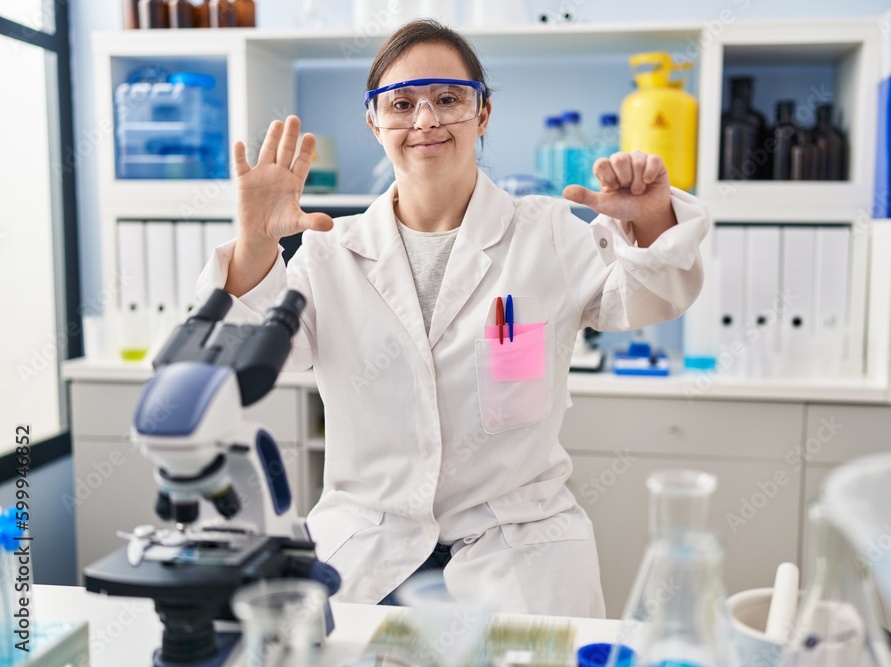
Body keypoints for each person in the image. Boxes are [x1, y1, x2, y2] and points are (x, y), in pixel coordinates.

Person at [197, 19, 709, 617]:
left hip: (518, 549)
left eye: (448, 99)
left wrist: (649, 224)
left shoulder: (544, 234)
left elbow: (654, 296)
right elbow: (229, 363)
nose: (425, 120)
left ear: (482, 113)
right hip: (367, 551)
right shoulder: (330, 252)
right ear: (374, 121)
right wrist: (256, 245)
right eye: (402, 103)